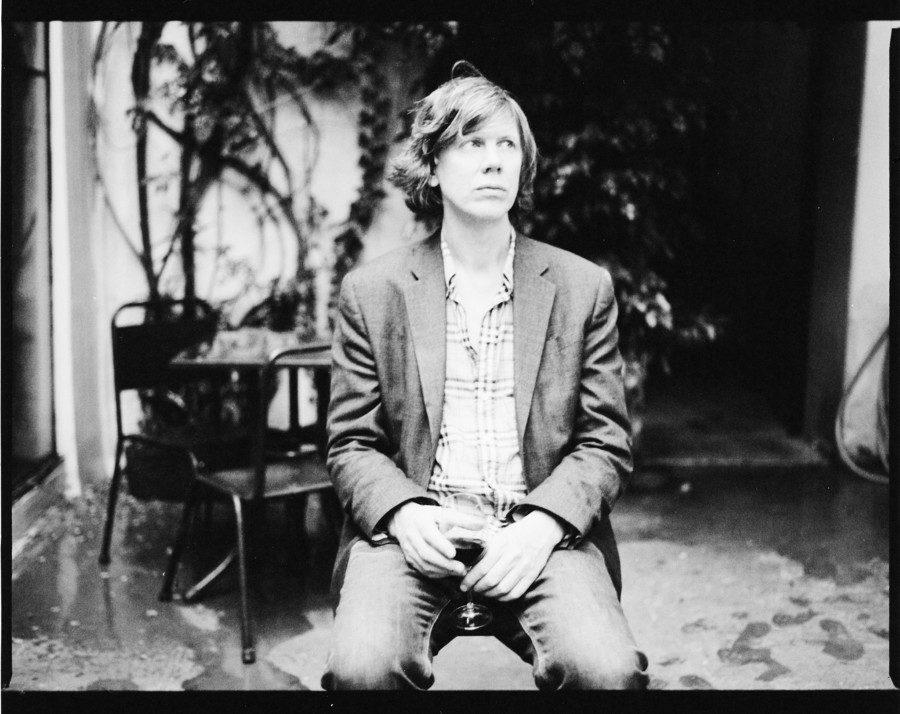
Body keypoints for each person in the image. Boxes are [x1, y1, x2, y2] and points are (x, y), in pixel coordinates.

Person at [321, 62, 648, 691]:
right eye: (472, 143)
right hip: (416, 539)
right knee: (361, 669)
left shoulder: (582, 287)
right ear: (432, 164)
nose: (494, 161)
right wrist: (403, 514)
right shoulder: (372, 291)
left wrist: (544, 525)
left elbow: (605, 441)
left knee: (607, 671)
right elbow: (351, 443)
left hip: (538, 538)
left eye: (507, 146)